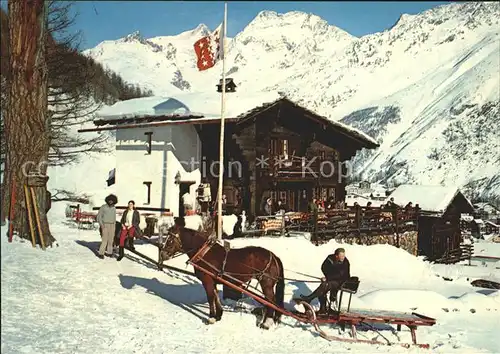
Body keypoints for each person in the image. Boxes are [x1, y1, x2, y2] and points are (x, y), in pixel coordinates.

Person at [295, 248, 350, 313]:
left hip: (341, 281)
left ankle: (309, 299)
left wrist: (328, 278)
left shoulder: (345, 262)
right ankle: (323, 308)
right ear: (336, 256)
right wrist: (327, 276)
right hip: (331, 280)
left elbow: (341, 274)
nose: (343, 257)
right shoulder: (330, 258)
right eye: (341, 256)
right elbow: (324, 267)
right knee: (323, 288)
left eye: (343, 255)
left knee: (325, 285)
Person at [96, 194, 118, 259]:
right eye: (109, 200)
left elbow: (114, 217)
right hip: (105, 225)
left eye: (112, 200)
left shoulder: (114, 208)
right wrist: (102, 225)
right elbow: (99, 217)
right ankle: (101, 253)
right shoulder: (103, 207)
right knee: (104, 240)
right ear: (107, 200)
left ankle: (109, 252)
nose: (110, 201)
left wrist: (114, 225)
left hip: (112, 225)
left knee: (111, 240)